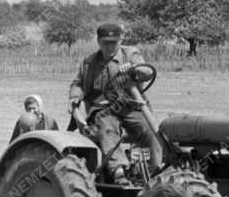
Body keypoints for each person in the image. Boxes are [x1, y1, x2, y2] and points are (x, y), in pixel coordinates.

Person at [68, 23, 164, 180]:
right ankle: (118, 170)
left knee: (151, 131)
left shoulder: (130, 54)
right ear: (98, 42)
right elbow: (78, 84)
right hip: (103, 109)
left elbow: (146, 71)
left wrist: (134, 69)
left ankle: (154, 170)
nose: (110, 47)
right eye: (106, 43)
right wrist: (75, 97)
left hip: (130, 107)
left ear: (121, 41)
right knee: (107, 125)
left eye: (114, 42)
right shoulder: (89, 63)